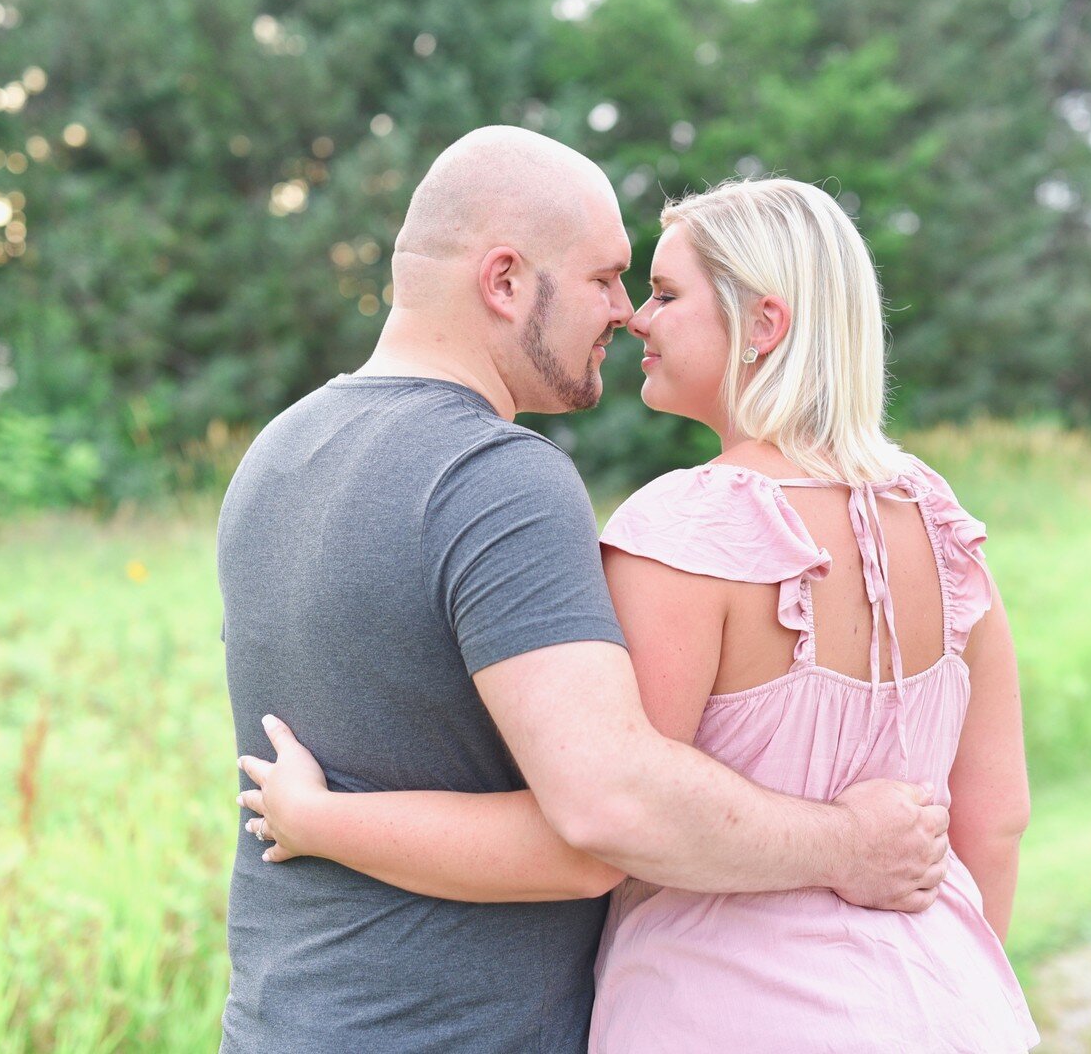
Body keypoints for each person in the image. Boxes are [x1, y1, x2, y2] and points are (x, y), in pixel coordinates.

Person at [240, 173, 1040, 1051]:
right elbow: (994, 817)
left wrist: (317, 820)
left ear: (763, 325)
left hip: (729, 1014)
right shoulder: (944, 525)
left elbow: (605, 826)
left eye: (662, 292)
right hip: (951, 1006)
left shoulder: (686, 531)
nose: (635, 318)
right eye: (623, 286)